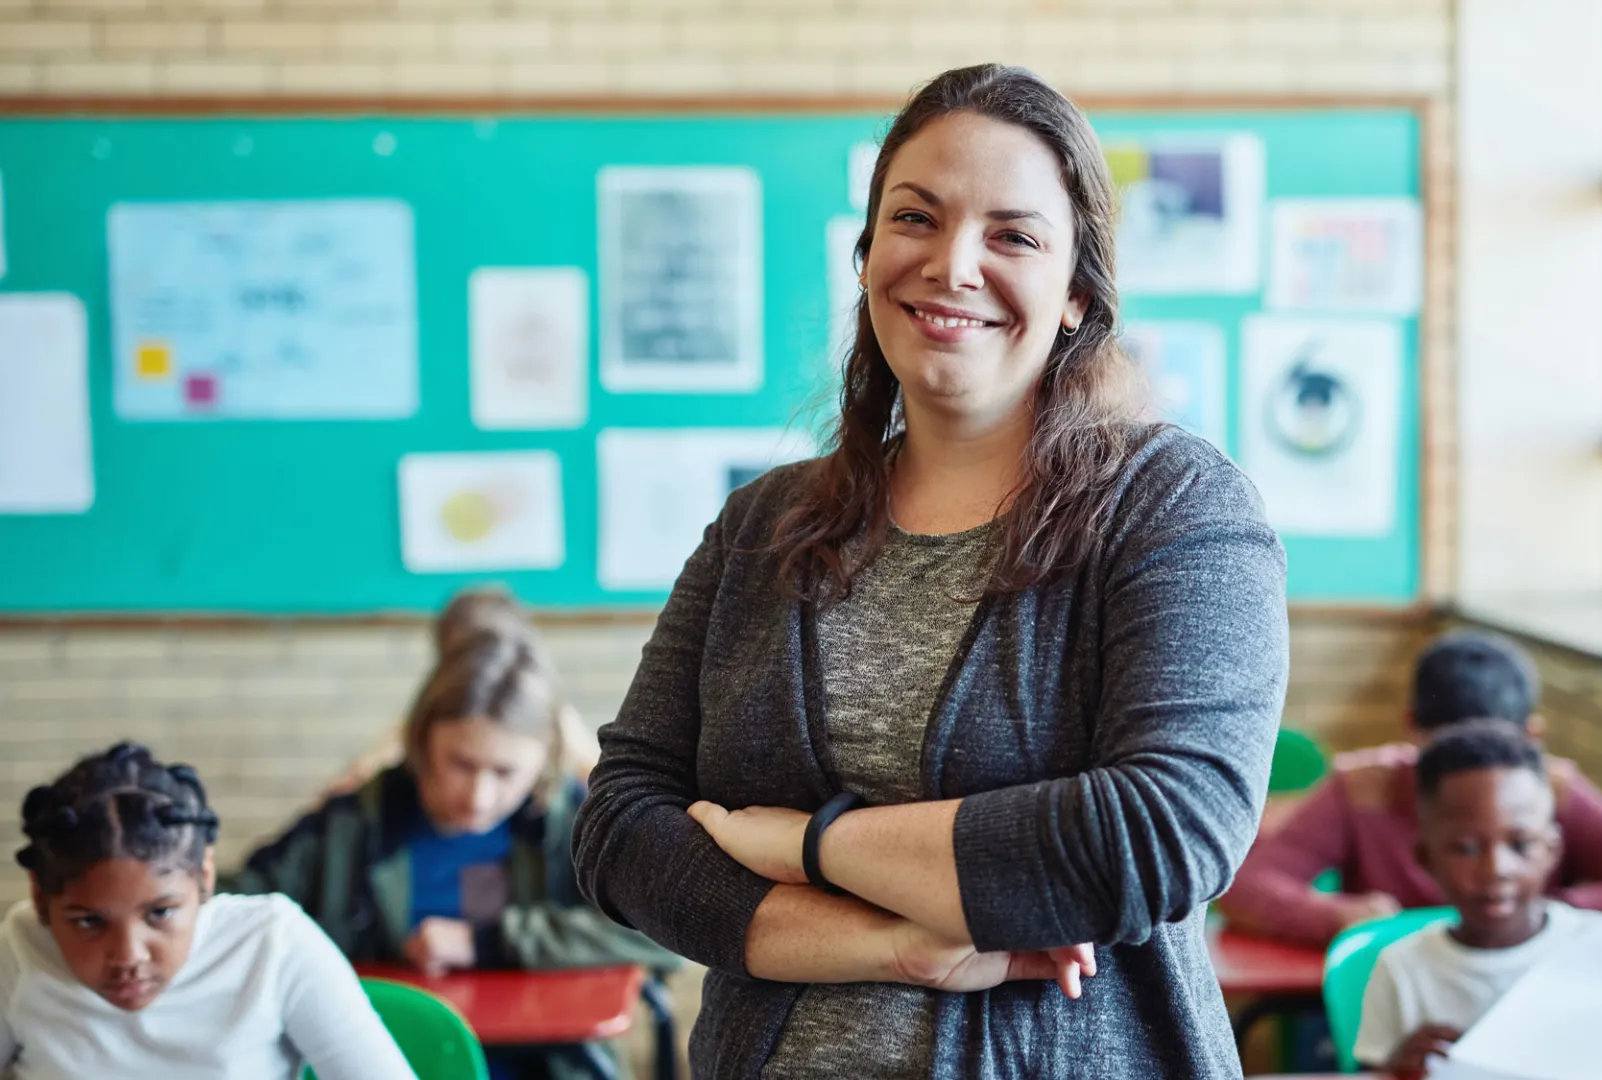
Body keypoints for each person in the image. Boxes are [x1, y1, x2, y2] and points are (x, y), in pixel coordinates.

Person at [571, 63, 1288, 1080]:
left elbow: (1161, 836)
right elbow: (620, 829)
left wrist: (804, 845)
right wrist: (891, 945)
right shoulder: (760, 526)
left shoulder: (1175, 505)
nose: (953, 265)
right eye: (917, 217)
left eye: (1013, 235)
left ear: (1078, 291)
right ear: (867, 256)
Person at [225, 631, 680, 1080]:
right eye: (460, 764)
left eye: (506, 772)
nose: (480, 798)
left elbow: (665, 930)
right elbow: (240, 903)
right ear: (422, 743)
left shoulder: (574, 824)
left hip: (546, 1066)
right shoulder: (352, 821)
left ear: (544, 761)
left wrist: (492, 942)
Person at [1220, 629, 1602, 947]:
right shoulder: (1362, 787)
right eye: (1445, 760)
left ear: (1531, 742)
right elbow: (1246, 885)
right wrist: (1337, 917)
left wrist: (1558, 916)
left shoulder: (1555, 791)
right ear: (1411, 731)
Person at [1, 742, 413, 1079]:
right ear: (40, 900)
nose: (128, 956)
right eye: (89, 921)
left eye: (161, 913)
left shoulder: (274, 943)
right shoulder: (19, 949)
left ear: (204, 877)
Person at [1353, 721, 1602, 1078]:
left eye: (1521, 845)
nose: (1496, 869)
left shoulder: (1600, 949)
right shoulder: (1400, 970)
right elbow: (1372, 1073)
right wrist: (1396, 1069)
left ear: (1552, 850)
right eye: (1466, 848)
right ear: (1426, 859)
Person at [324, 585, 600, 799]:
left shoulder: (553, 719)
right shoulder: (424, 722)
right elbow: (349, 784)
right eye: (461, 663)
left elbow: (602, 783)